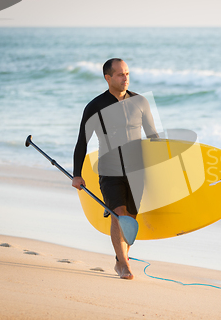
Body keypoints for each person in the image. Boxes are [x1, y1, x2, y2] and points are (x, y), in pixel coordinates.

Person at [72, 58, 159, 279]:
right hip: (110, 170)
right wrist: (77, 174)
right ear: (108, 78)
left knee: (130, 218)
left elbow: (153, 137)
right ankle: (125, 265)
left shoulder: (140, 102)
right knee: (119, 216)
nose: (125, 78)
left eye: (127, 73)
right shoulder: (95, 106)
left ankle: (121, 259)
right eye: (120, 74)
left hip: (136, 171)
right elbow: (82, 142)